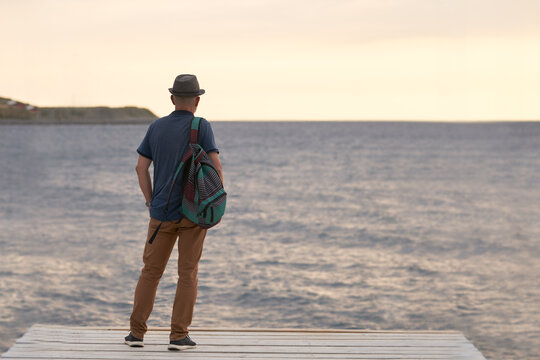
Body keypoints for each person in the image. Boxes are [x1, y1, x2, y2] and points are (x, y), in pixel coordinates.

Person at [124, 74, 223, 351]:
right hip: (193, 214)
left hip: (160, 212)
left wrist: (150, 201)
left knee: (150, 273)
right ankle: (178, 336)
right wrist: (214, 202)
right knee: (187, 273)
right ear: (197, 100)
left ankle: (136, 334)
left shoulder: (155, 127)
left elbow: (140, 168)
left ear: (172, 99)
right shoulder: (200, 126)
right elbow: (215, 167)